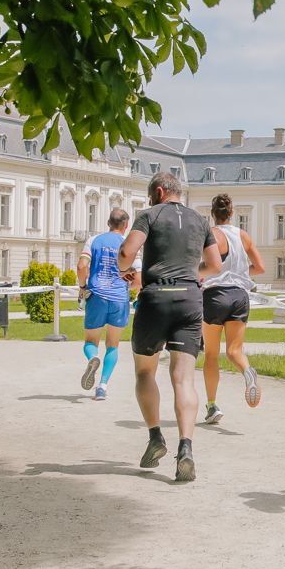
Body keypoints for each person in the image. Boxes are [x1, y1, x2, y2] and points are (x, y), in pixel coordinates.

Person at [117, 171, 221, 483]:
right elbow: (215, 265)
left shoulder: (148, 215)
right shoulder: (200, 220)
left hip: (155, 298)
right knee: (184, 379)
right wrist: (192, 273)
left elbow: (126, 253)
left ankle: (155, 437)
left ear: (159, 191)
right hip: (190, 300)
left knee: (145, 372)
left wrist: (125, 271)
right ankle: (185, 447)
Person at [201, 193, 265, 424]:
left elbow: (209, 266)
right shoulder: (243, 235)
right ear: (232, 212)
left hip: (215, 294)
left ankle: (211, 405)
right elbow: (260, 267)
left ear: (212, 214)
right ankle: (247, 372)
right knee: (234, 351)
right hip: (240, 296)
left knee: (210, 354)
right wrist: (240, 273)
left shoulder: (211, 234)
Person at [78, 208, 141, 401]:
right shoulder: (128, 245)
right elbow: (138, 279)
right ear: (125, 225)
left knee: (91, 341)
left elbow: (82, 266)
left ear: (108, 223)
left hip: (96, 294)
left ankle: (92, 359)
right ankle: (102, 387)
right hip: (118, 298)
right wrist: (127, 289)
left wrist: (82, 286)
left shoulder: (94, 240)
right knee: (113, 345)